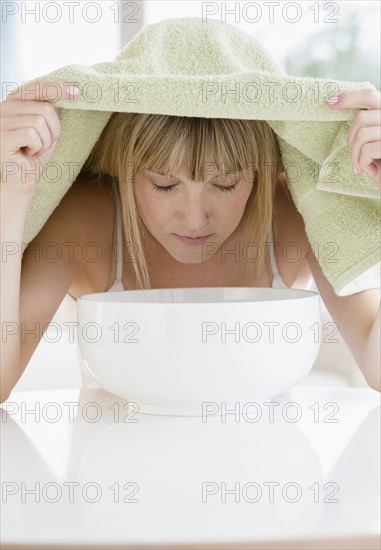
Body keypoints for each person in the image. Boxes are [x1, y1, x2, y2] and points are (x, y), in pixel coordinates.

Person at [1, 80, 380, 402]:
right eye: (164, 185)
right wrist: (11, 192)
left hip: (266, 476)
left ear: (259, 172)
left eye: (226, 184)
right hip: (120, 478)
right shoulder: (85, 221)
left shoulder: (295, 213)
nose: (196, 219)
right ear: (123, 168)